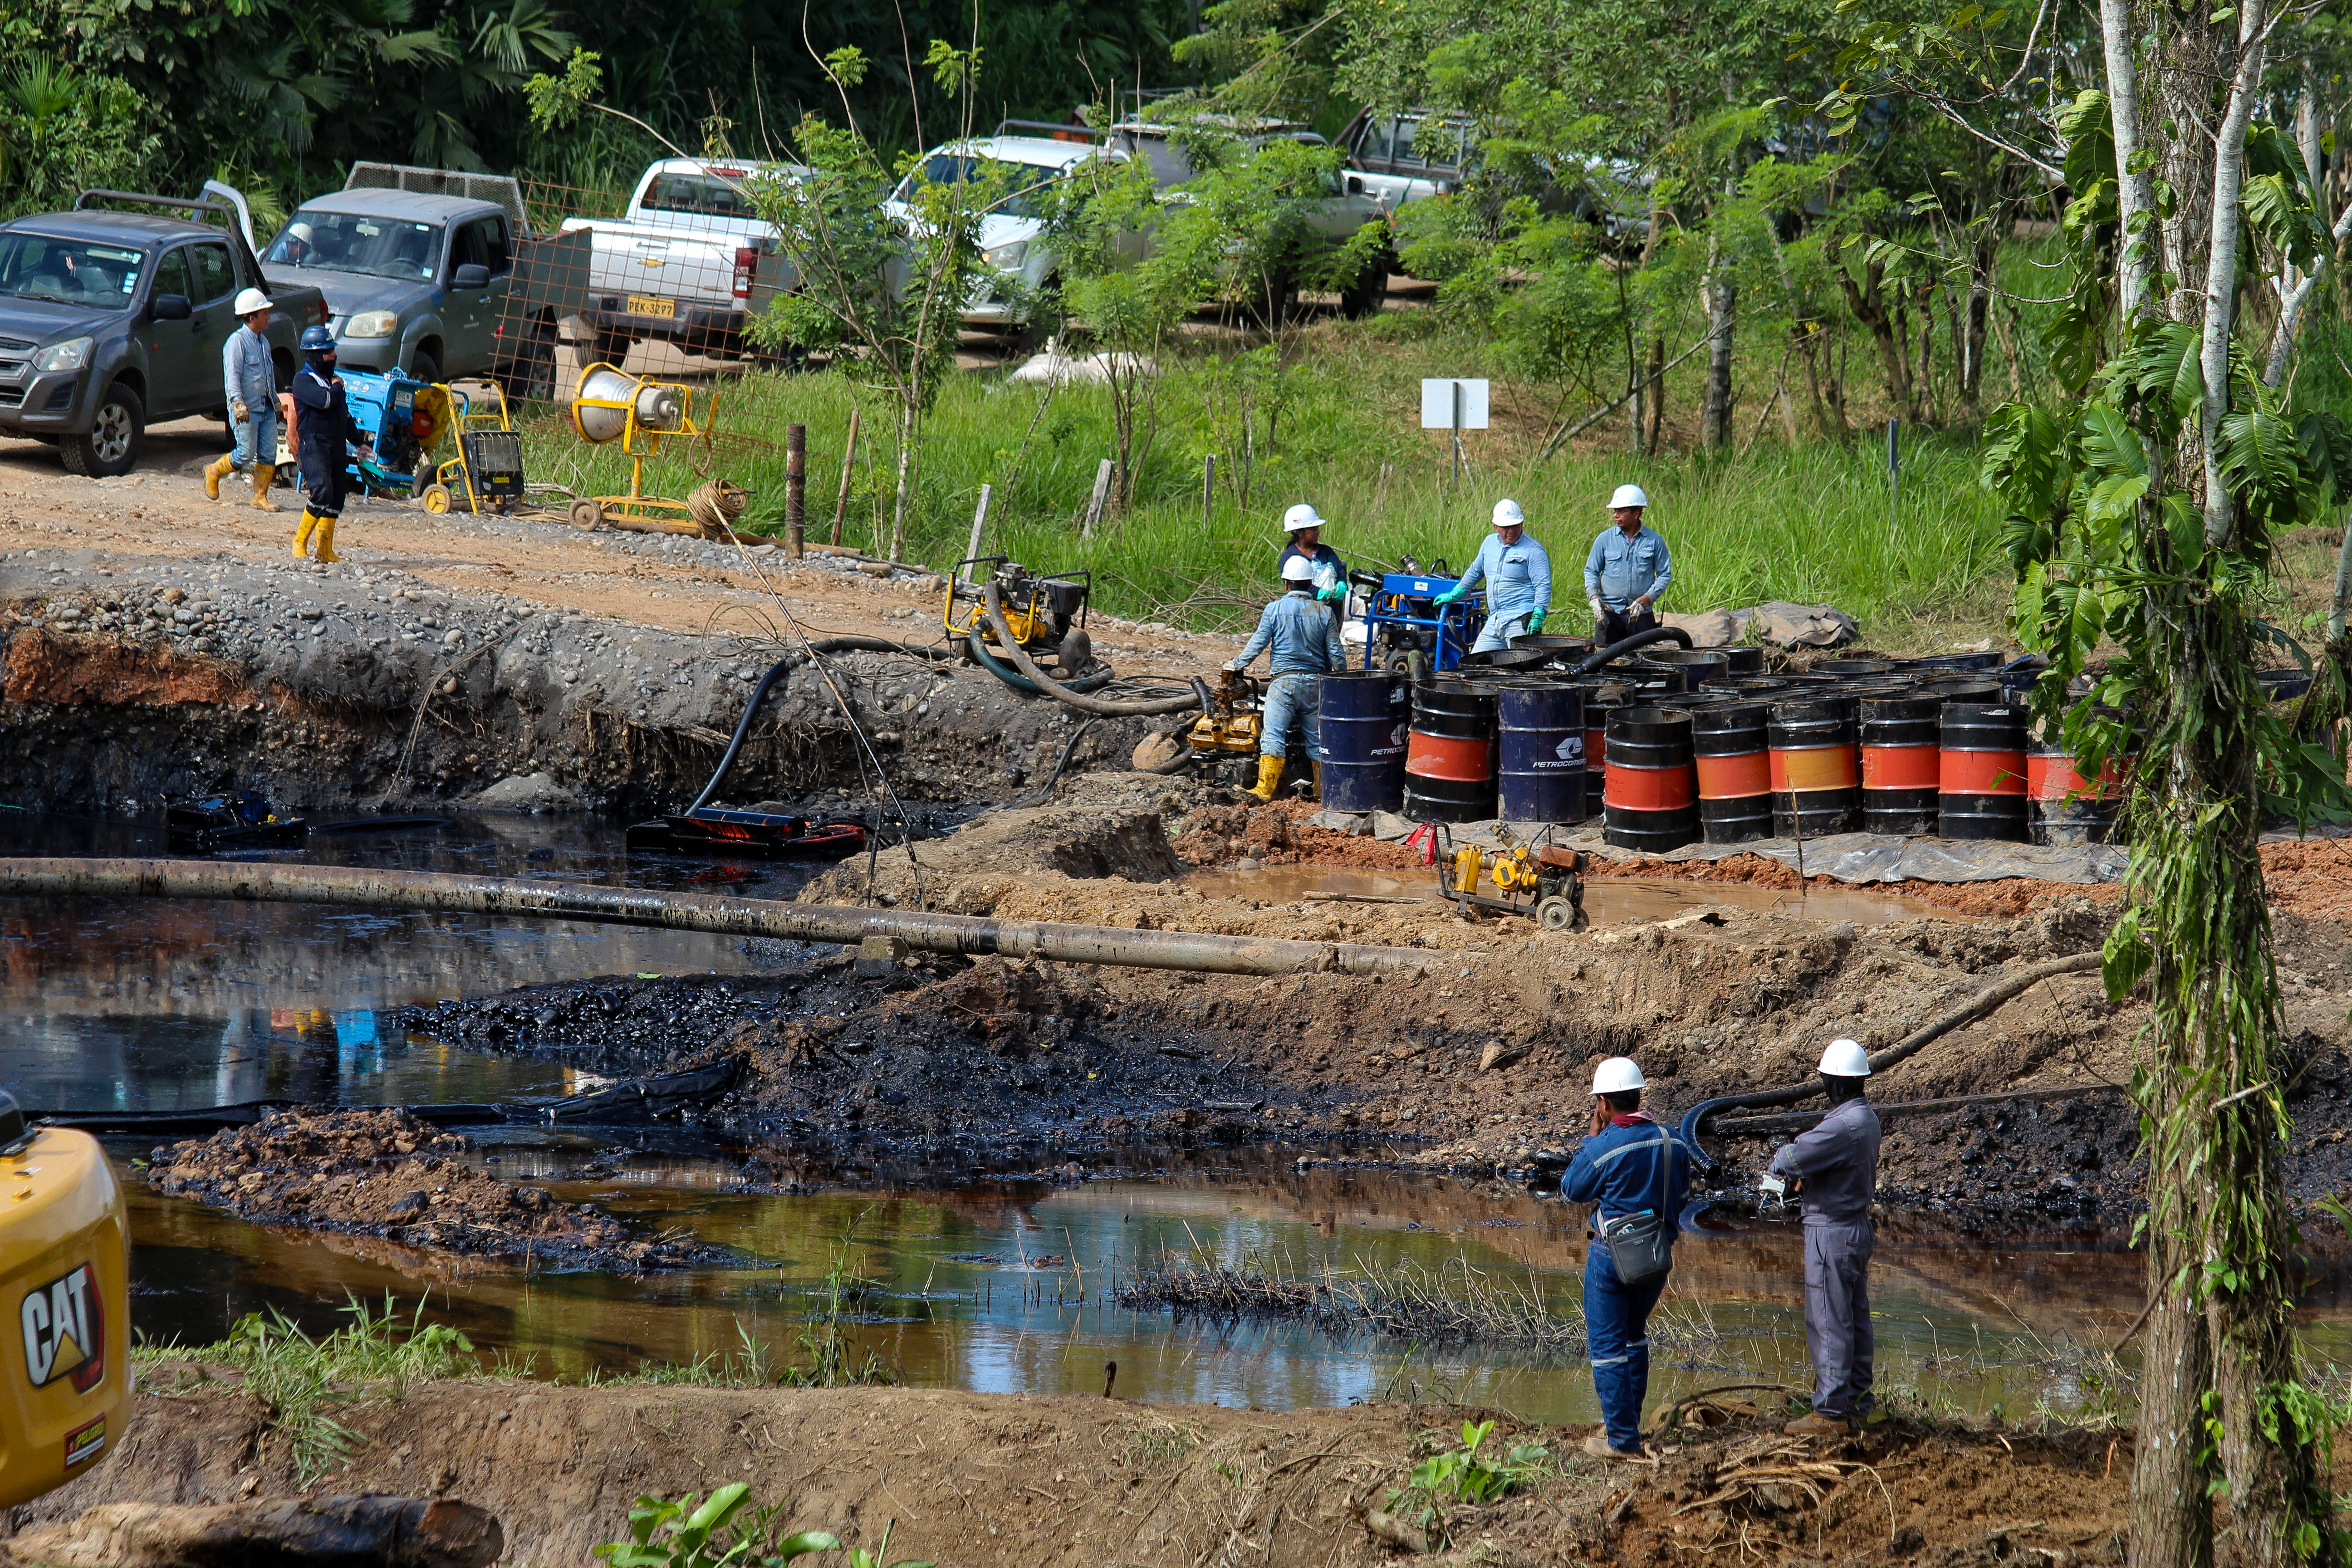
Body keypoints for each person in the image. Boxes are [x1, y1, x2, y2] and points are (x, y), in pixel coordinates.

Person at [1562, 1056, 1693, 1460]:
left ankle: (1621, 1440)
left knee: (1607, 1347)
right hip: (1656, 1255)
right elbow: (1683, 1197)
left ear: (1603, 1103)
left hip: (1611, 1256)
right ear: (1638, 1095)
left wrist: (1590, 1139)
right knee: (1634, 1337)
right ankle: (1627, 1426)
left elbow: (1571, 1188)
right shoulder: (1674, 1141)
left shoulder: (1602, 1146)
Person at [1769, 1038, 1882, 1437]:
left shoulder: (1840, 1125)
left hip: (1830, 1230)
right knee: (1854, 1316)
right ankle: (1857, 1402)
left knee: (1828, 1319)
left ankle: (1830, 1413)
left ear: (1831, 1082)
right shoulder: (1866, 1118)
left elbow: (1789, 1159)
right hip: (1856, 1227)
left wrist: (1787, 1160)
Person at [1227, 554, 1346, 801]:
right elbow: (1336, 654)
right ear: (1310, 583)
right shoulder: (1325, 613)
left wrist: (1236, 665)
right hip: (1316, 685)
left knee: (1273, 735)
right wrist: (1343, 679)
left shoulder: (1275, 609)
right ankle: (1323, 794)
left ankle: (1264, 791)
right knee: (1317, 740)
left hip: (1284, 684)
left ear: (1286, 584)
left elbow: (1258, 643)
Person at [289, 325, 370, 563]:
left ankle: (325, 550)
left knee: (336, 499)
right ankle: (300, 540)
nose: (333, 356)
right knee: (322, 490)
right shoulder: (303, 381)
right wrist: (338, 387)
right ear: (314, 356)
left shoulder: (332, 382)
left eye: (333, 350)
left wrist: (358, 443)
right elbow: (324, 401)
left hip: (335, 444)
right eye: (327, 352)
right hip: (314, 444)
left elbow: (345, 417)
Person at [1434, 499, 1551, 653]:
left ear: (1522, 524)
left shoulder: (1534, 551)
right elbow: (1476, 571)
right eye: (1505, 528)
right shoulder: (1489, 544)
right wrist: (1456, 593)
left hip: (1519, 621)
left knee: (1523, 668)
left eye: (1515, 526)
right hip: (1495, 620)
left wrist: (1539, 613)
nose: (1511, 531)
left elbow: (1543, 585)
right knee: (1476, 665)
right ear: (1496, 527)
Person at [204, 289, 280, 512]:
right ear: (252, 317)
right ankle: (214, 471)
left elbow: (268, 375)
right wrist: (237, 403)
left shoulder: (263, 342)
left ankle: (260, 497)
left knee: (268, 452)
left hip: (264, 406)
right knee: (246, 453)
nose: (269, 317)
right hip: (246, 408)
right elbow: (233, 376)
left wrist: (274, 400)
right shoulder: (237, 343)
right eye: (265, 313)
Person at [1585, 484, 1673, 646]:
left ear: (1636, 514)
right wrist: (1593, 597)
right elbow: (1591, 571)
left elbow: (1665, 575)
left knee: (1642, 661)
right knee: (1606, 662)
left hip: (1641, 614)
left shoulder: (1654, 541)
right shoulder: (1604, 539)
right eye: (1615, 511)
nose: (1616, 516)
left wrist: (1647, 599)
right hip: (1610, 614)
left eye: (1622, 511)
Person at [1278, 502, 1349, 617]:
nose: (1318, 532)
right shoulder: (1290, 558)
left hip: (1331, 615)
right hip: (1304, 616)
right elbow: (1294, 586)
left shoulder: (1326, 552)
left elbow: (1340, 572)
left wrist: (1341, 584)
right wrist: (1319, 593)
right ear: (1300, 532)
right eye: (1313, 529)